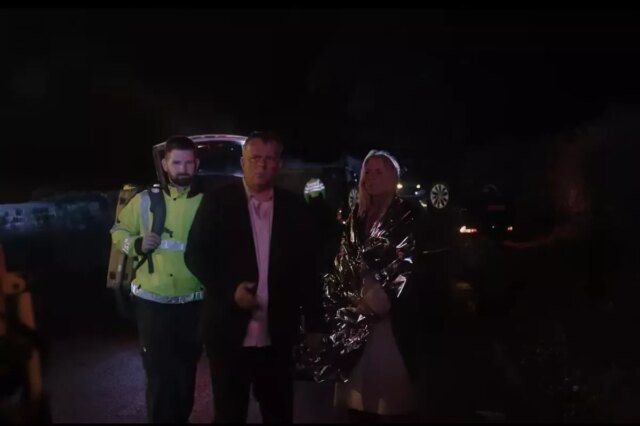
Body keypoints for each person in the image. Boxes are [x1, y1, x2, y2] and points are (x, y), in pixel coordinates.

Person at [184, 131, 326, 423]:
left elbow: (307, 268)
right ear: (243, 162)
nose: (262, 164)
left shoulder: (294, 207)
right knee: (229, 414)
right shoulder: (217, 201)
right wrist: (231, 291)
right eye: (255, 158)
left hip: (277, 335)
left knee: (279, 412)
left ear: (278, 164)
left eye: (269, 158)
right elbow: (195, 255)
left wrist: (315, 324)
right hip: (227, 332)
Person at [321, 150, 448, 423]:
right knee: (359, 399)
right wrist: (349, 298)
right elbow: (343, 260)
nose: (371, 177)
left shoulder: (409, 215)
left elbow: (414, 266)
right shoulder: (357, 216)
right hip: (356, 317)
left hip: (393, 320)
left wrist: (380, 301)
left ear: (394, 176)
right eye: (368, 171)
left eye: (379, 171)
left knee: (391, 398)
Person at [110, 135, 204, 423]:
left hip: (193, 305)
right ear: (164, 164)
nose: (183, 169)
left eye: (188, 163)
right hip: (153, 305)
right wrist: (136, 244)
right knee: (159, 376)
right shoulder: (144, 200)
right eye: (177, 163)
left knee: (186, 375)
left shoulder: (208, 202)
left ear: (197, 164)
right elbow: (118, 231)